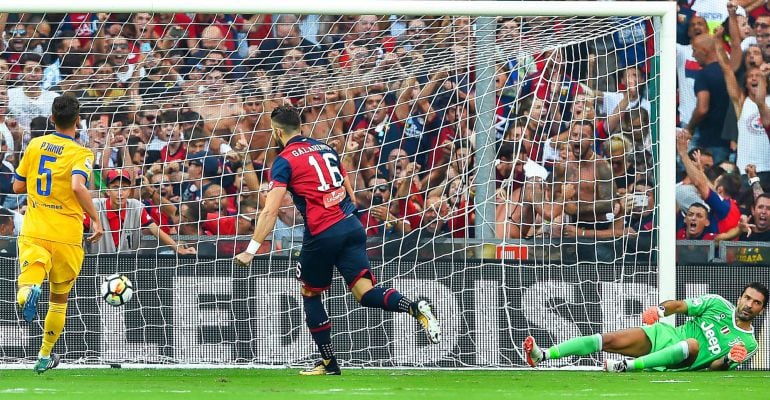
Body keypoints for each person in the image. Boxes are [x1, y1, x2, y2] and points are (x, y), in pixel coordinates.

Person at [234, 106, 440, 375]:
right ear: (301, 127)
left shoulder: (283, 160)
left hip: (322, 232)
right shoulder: (325, 149)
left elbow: (270, 209)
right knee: (364, 292)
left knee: (310, 293)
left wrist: (250, 250)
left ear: (276, 131)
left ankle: (329, 362)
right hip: (352, 225)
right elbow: (351, 195)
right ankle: (413, 307)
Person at [12, 95, 104, 373]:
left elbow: (17, 188)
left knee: (28, 282)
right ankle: (44, 355)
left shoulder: (35, 145)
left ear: (52, 118)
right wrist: (97, 219)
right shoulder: (82, 153)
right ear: (78, 120)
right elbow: (78, 186)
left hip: (36, 229)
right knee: (59, 299)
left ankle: (29, 291)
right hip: (66, 234)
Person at [523, 282, 768, 372]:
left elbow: (714, 367)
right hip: (665, 335)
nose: (749, 304)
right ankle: (543, 354)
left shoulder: (749, 343)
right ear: (740, 297)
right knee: (607, 340)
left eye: (756, 303)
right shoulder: (716, 304)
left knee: (691, 345)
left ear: (761, 310)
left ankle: (627, 367)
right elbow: (680, 306)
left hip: (685, 361)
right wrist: (660, 310)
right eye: (747, 298)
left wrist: (727, 360)